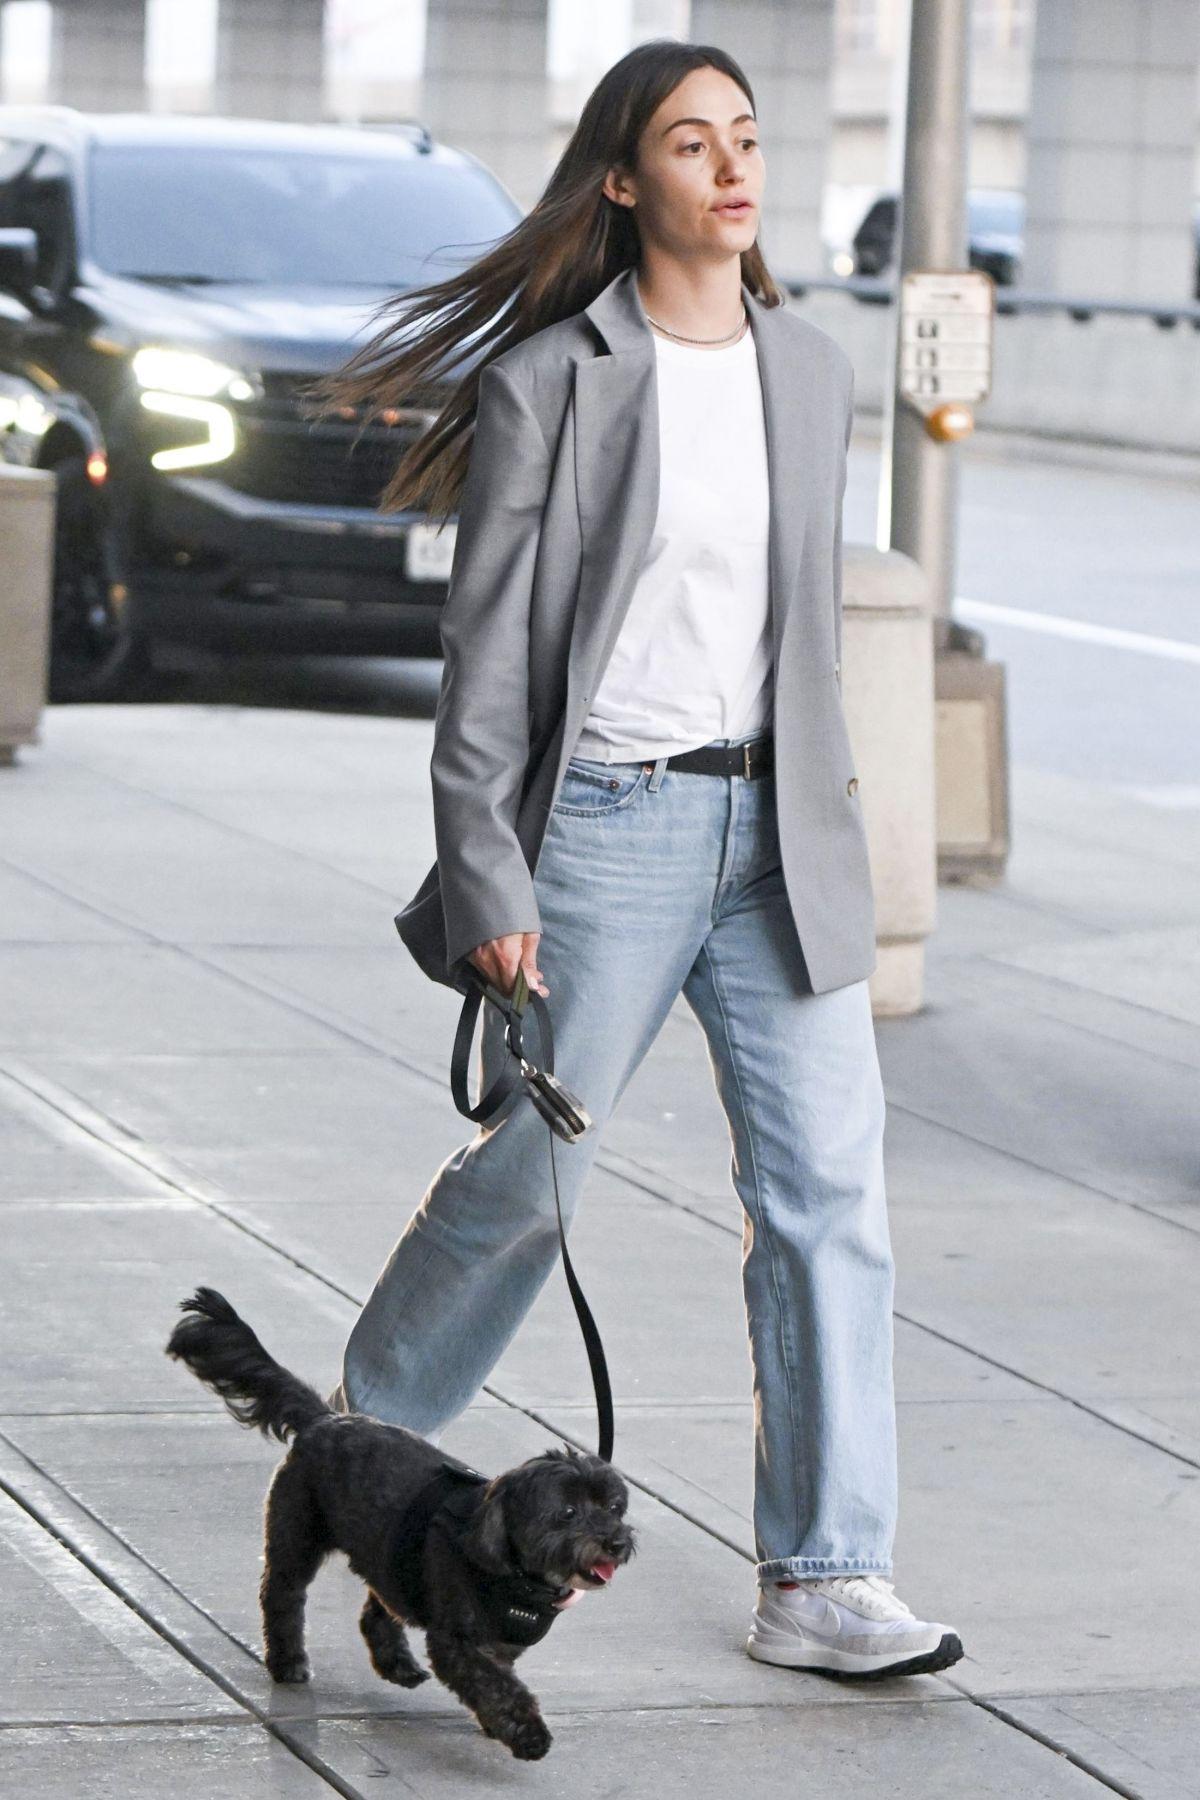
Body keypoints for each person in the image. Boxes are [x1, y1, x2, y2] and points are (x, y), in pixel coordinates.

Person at [320, 40, 963, 1679]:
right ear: (627, 180)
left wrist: (847, 823)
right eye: (695, 144)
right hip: (605, 828)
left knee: (829, 1199)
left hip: (779, 839)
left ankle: (825, 1575)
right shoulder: (557, 378)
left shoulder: (810, 372)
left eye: (749, 137)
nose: (736, 168)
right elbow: (491, 658)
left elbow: (801, 633)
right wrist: (490, 876)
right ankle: (354, 1449)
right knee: (530, 1185)